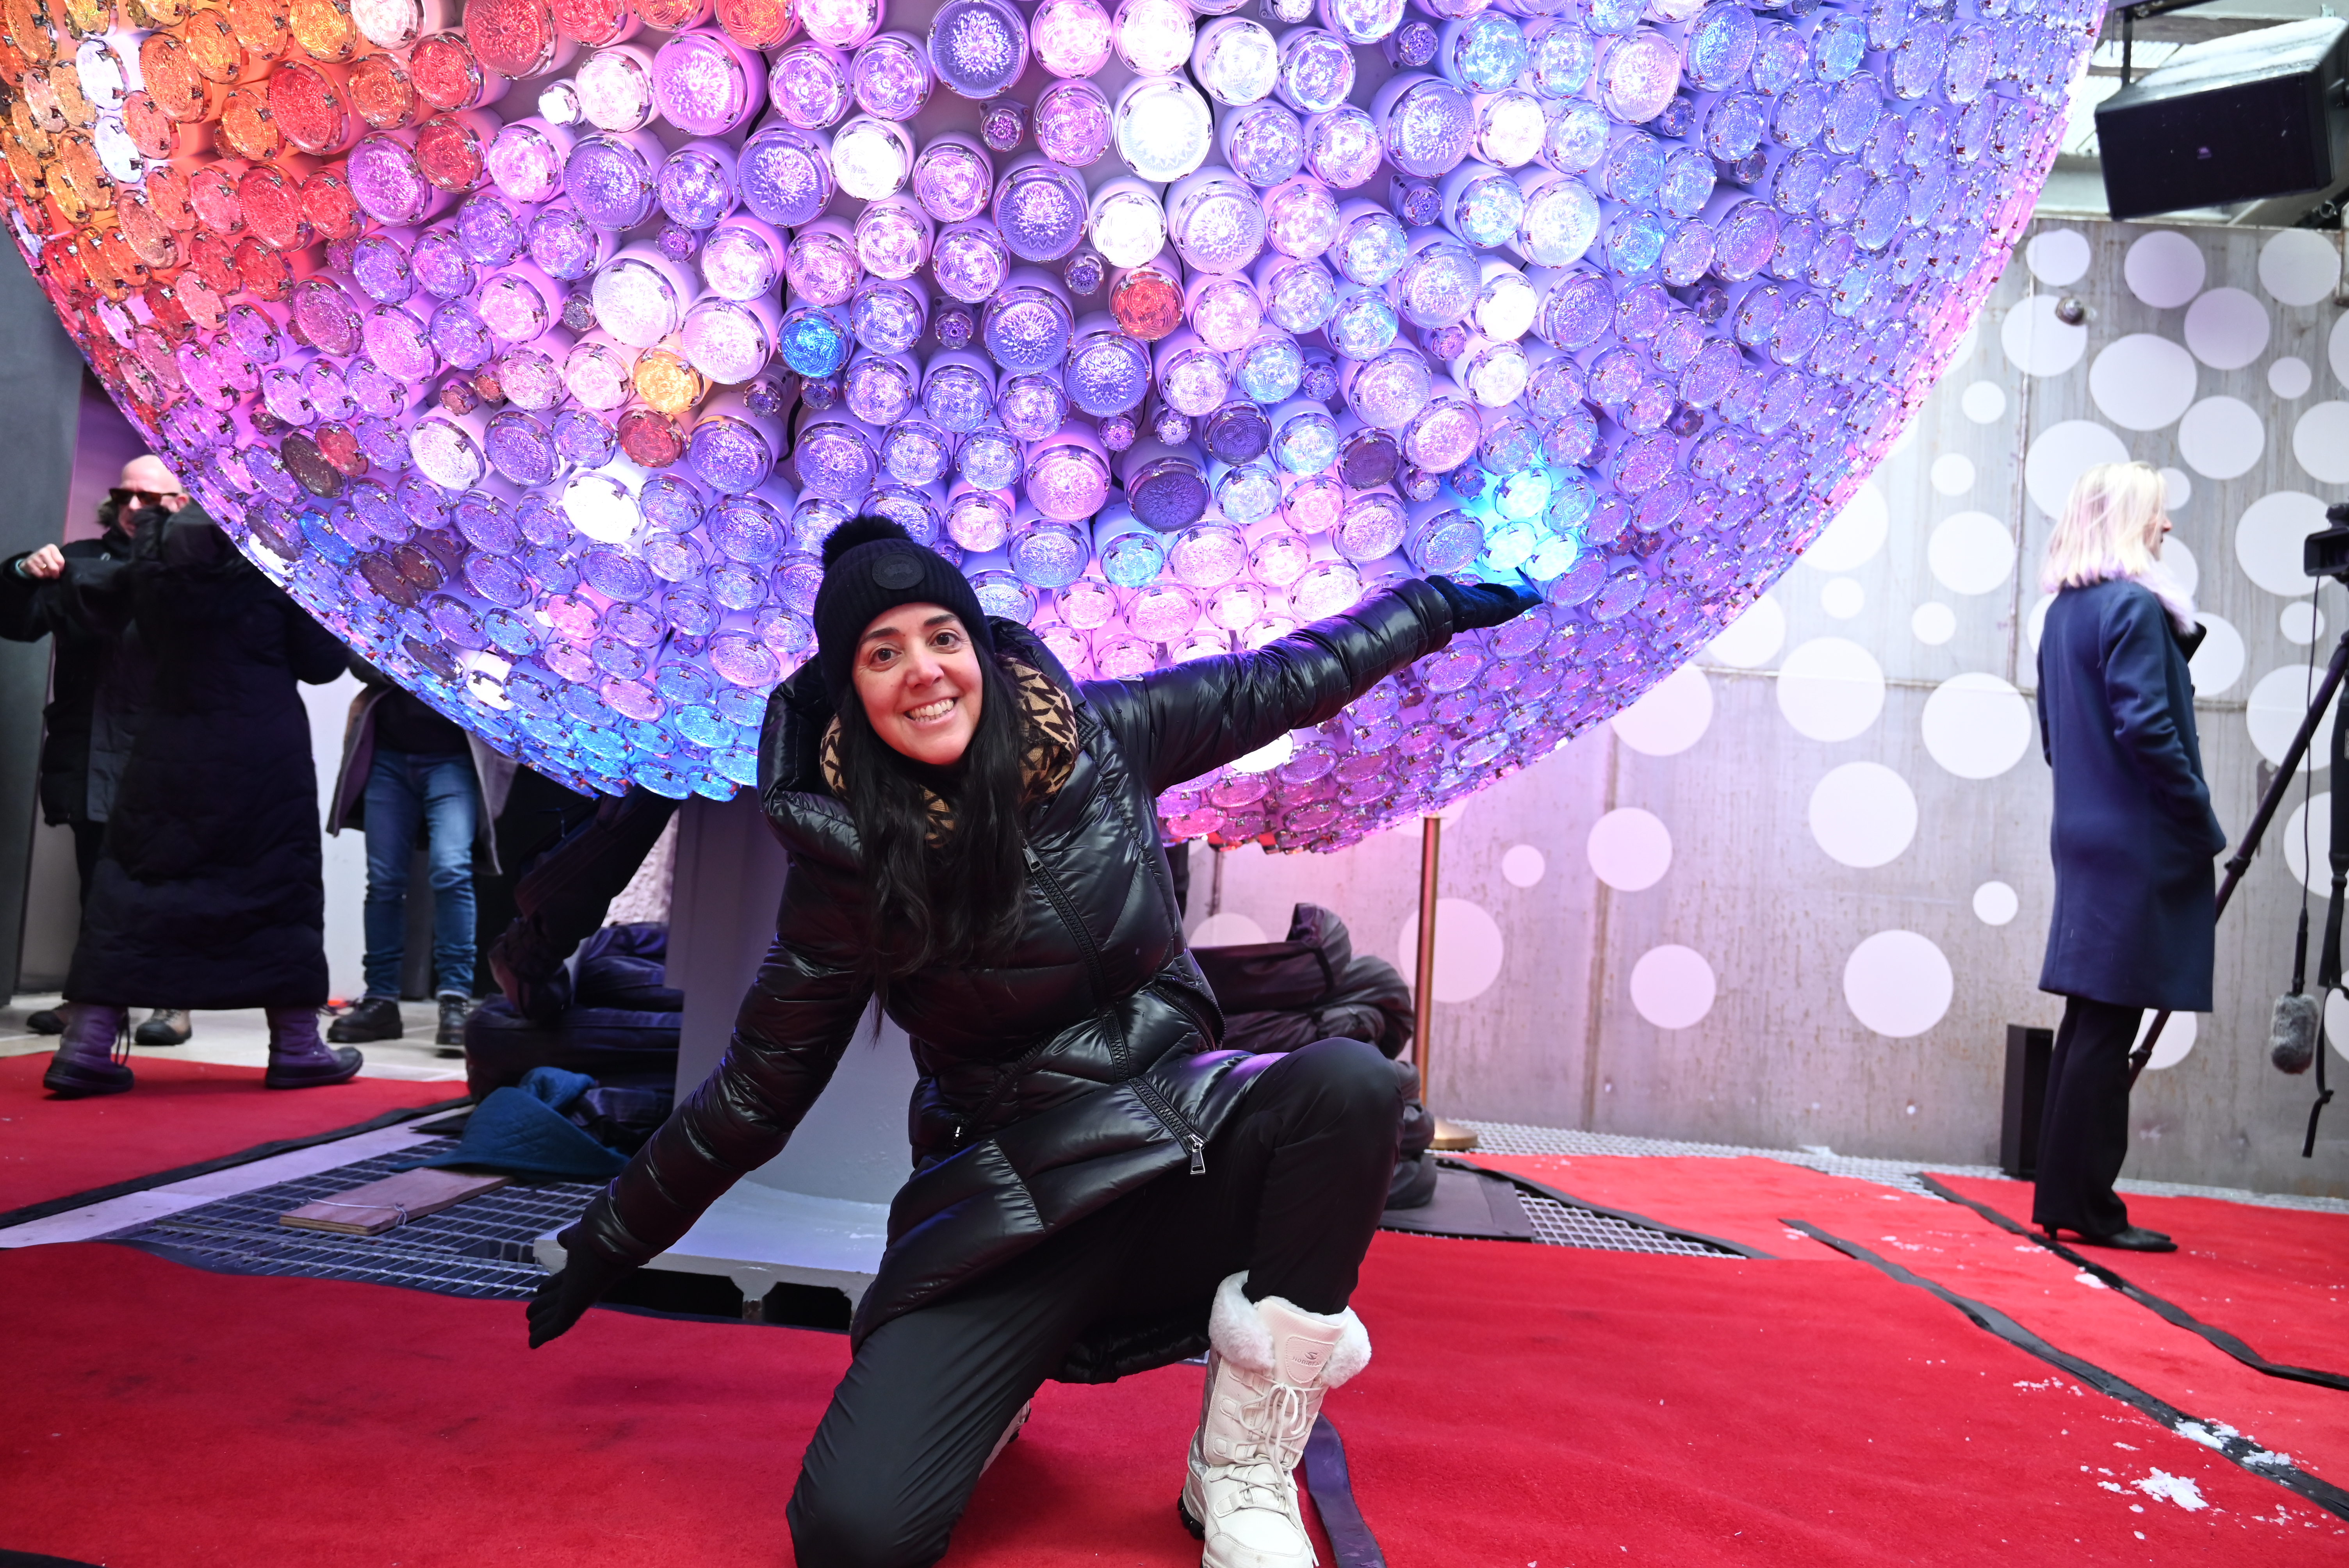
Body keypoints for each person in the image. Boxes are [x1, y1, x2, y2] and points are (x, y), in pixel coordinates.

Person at [524, 517, 1540, 1568]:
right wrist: (603, 1243)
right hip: (1014, 1208)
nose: (924, 673)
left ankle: (1239, 1470)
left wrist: (1430, 609)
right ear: (849, 693)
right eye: (883, 654)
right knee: (853, 1538)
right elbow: (752, 1099)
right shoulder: (847, 870)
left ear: (977, 644)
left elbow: (1280, 682)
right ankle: (993, 1389)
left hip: (1183, 1145)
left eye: (941, 638)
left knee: (1352, 1087)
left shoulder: (1104, 735)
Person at [37, 494, 364, 1097]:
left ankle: (83, 1047)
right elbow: (322, 665)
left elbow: (102, 612)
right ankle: (296, 1047)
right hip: (262, 751)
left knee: (130, 887)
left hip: (168, 743)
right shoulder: (277, 561)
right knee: (279, 883)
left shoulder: (155, 559)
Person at [2033, 461, 2223, 1253]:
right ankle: (2088, 1207)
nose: (2168, 528)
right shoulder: (2130, 609)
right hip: (2138, 837)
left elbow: (2052, 735)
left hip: (2081, 831)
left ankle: (2061, 1198)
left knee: (2088, 1018)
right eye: (2158, 514)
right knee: (2106, 1025)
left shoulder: (2062, 614)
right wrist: (2196, 815)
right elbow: (2148, 727)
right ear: (2126, 522)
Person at [1, 456, 197, 1045]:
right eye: (125, 494)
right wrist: (18, 570)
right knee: (98, 877)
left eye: (151, 498)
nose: (134, 506)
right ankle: (95, 999)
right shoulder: (80, 561)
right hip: (91, 741)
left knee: (167, 877)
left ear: (180, 505)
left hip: (168, 747)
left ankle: (173, 999)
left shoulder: (195, 568)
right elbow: (17, 623)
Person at [325, 654, 500, 1049]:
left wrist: (421, 658)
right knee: (385, 881)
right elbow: (358, 657)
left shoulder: (479, 598)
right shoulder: (389, 593)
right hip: (387, 753)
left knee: (452, 870)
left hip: (455, 756)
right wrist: (423, 655)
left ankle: (454, 998)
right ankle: (381, 1000)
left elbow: (499, 670)